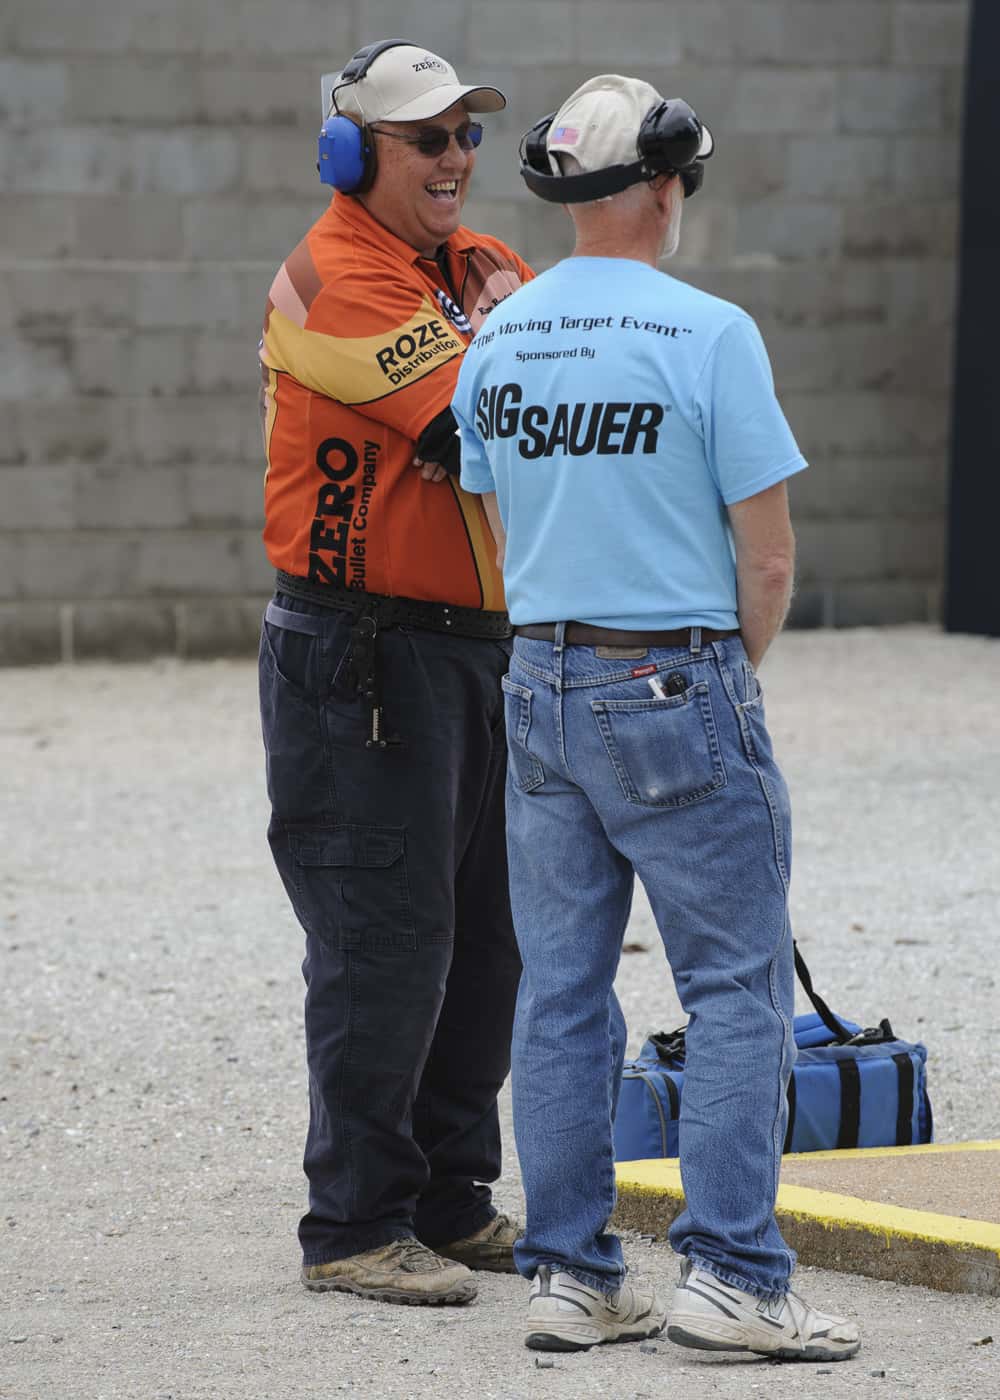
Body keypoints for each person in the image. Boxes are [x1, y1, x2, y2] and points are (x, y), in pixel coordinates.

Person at [453, 74, 862, 1360]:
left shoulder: (498, 337)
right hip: (671, 675)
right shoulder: (709, 332)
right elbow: (768, 560)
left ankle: (572, 1275)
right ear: (664, 185)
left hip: (538, 677)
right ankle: (734, 1274)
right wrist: (719, 683)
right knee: (737, 984)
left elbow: (500, 527)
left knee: (560, 991)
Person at [257, 40, 531, 1306]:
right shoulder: (334, 276)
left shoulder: (481, 263)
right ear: (349, 153)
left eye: (466, 134)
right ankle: (355, 1222)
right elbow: (491, 424)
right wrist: (501, 409)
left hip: (478, 645)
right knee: (385, 939)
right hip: (361, 649)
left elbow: (548, 407)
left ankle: (447, 1198)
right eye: (427, 138)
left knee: (488, 941)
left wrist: (511, 408)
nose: (456, 156)